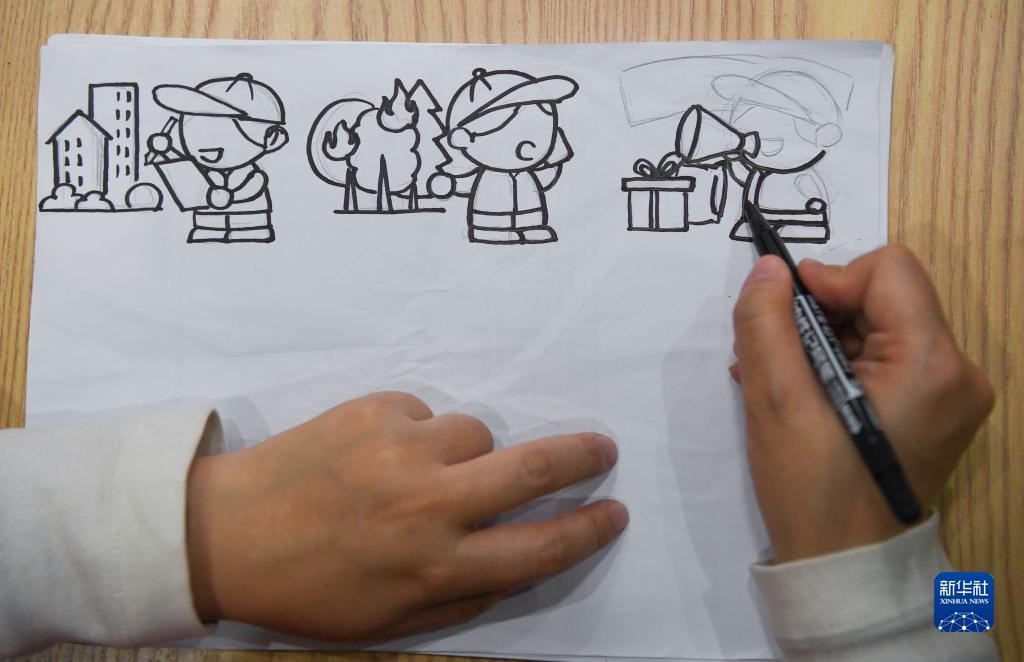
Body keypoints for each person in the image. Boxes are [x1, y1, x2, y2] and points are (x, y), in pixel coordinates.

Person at [0, 245, 999, 660]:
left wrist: (901, 577)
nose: (977, 601)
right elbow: (989, 626)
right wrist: (912, 575)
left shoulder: (973, 596)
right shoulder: (975, 596)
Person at [429, 68, 577, 245]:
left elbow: (544, 182)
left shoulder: (527, 175)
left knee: (530, 214)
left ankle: (530, 227)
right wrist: (450, 184)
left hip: (530, 218)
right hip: (489, 220)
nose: (528, 146)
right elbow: (468, 185)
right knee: (492, 220)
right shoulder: (488, 176)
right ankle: (489, 230)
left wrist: (555, 162)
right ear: (463, 138)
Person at [147, 73, 289, 244]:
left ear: (272, 139)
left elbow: (254, 186)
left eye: (223, 132)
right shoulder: (201, 172)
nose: (206, 143)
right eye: (196, 130)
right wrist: (166, 151)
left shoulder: (250, 173)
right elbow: (184, 174)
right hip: (207, 227)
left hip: (250, 226)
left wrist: (231, 196)